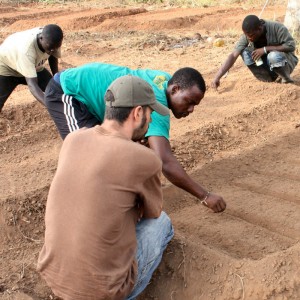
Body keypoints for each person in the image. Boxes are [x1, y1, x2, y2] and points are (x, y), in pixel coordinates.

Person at [37, 75, 174, 300]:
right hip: (102, 292)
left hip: (55, 278)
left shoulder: (73, 139)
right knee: (162, 223)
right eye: (150, 115)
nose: (150, 122)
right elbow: (152, 212)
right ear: (137, 113)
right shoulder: (144, 158)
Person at [45, 62, 227, 213]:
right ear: (175, 89)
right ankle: (76, 207)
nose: (191, 109)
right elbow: (165, 162)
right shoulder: (159, 104)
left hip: (95, 100)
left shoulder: (164, 80)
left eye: (195, 105)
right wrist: (205, 195)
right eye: (189, 102)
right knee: (87, 153)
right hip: (69, 92)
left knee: (122, 148)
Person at [212, 15, 298, 88]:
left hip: (285, 62)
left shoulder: (277, 27)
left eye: (251, 35)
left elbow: (290, 46)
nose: (249, 38)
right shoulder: (248, 35)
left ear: (260, 28)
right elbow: (233, 55)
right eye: (247, 35)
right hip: (266, 65)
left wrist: (265, 49)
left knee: (273, 56)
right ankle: (266, 79)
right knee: (245, 52)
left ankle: (286, 80)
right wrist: (217, 77)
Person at [0, 24, 63, 112]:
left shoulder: (53, 40)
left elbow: (53, 55)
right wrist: (50, 106)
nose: (52, 50)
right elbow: (32, 84)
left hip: (34, 66)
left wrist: (56, 78)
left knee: (56, 90)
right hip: (7, 67)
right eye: (50, 47)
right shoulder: (27, 50)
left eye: (55, 48)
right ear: (41, 38)